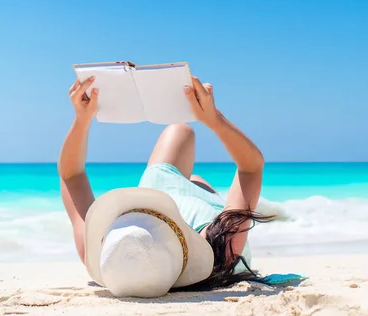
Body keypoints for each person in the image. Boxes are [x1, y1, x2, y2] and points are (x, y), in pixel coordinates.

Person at [58, 75, 273, 296]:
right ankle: (194, 183)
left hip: (159, 187)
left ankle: (190, 181)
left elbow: (71, 174)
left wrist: (81, 120)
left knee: (180, 131)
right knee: (196, 174)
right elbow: (251, 167)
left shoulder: (109, 253)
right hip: (199, 215)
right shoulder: (222, 249)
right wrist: (213, 118)